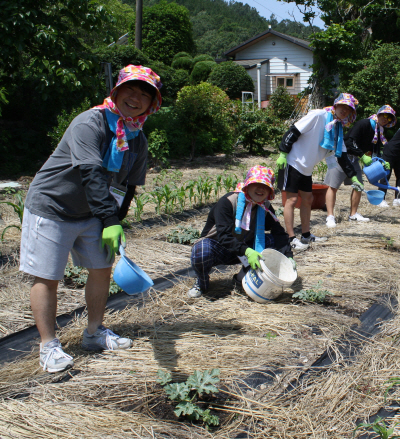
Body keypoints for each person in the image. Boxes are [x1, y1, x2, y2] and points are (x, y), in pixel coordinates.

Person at [21, 65, 162, 373]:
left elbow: (127, 187)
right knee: (47, 276)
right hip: (53, 206)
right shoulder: (90, 123)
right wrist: (109, 219)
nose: (135, 98)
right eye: (131, 90)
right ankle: (49, 346)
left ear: (152, 105)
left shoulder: (137, 139)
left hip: (92, 212)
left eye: (144, 95)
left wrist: (117, 222)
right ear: (116, 91)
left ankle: (94, 332)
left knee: (100, 270)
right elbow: (92, 174)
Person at [188, 166, 293, 298]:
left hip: (244, 248)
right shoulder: (228, 202)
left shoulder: (264, 207)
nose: (260, 189)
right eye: (256, 184)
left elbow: (280, 233)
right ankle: (202, 283)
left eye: (265, 186)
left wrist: (288, 256)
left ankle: (241, 278)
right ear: (247, 185)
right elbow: (224, 237)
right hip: (219, 248)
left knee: (273, 242)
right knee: (201, 250)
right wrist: (247, 251)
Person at [276, 93, 360, 248]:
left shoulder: (337, 129)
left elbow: (342, 157)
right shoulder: (318, 115)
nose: (345, 111)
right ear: (336, 105)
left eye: (349, 109)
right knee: (292, 200)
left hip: (307, 168)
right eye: (343, 106)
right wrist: (283, 152)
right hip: (293, 161)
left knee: (308, 200)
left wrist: (353, 177)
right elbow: (294, 131)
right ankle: (291, 238)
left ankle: (306, 235)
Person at [324, 105, 397, 227]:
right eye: (384, 115)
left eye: (389, 119)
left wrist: (383, 162)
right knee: (333, 186)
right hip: (341, 156)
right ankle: (330, 216)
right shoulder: (365, 124)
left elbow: (375, 151)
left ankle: (353, 214)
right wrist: (362, 155)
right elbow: (349, 141)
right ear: (378, 114)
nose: (385, 119)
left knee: (359, 186)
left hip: (354, 159)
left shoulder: (378, 131)